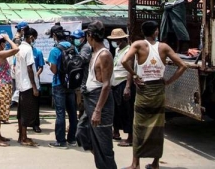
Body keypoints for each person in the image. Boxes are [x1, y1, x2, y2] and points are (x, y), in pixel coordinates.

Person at [121, 21, 188, 169]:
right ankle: (155, 163)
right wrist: (168, 81)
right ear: (155, 32)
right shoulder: (164, 47)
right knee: (157, 127)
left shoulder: (138, 45)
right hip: (158, 90)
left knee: (139, 126)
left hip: (143, 90)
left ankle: (135, 163)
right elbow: (183, 65)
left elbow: (124, 61)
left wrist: (135, 76)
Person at [76, 21, 117, 169]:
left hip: (100, 102)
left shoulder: (104, 54)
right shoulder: (93, 52)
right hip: (90, 100)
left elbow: (106, 85)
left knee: (104, 146)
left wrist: (98, 111)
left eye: (87, 34)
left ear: (90, 35)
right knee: (82, 133)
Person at [47, 25, 78, 149]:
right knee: (72, 112)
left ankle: (61, 141)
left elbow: (54, 70)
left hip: (59, 83)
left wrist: (49, 64)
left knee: (60, 113)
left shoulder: (55, 50)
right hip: (71, 83)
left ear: (54, 36)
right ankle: (72, 139)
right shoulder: (73, 47)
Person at [107, 28, 135, 147]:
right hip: (115, 84)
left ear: (123, 39)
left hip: (124, 83)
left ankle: (130, 137)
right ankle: (116, 132)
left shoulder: (129, 51)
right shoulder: (118, 50)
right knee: (116, 111)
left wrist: (128, 87)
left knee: (127, 111)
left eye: (117, 40)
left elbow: (130, 69)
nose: (116, 42)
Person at [0, 34, 19, 147]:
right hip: (1, 87)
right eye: (4, 43)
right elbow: (16, 49)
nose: (6, 45)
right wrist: (8, 39)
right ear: (1, 44)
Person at [16, 27, 40, 147]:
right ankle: (24, 137)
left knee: (21, 112)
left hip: (21, 84)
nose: (34, 40)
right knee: (26, 113)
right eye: (34, 38)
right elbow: (30, 68)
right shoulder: (28, 49)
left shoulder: (19, 47)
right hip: (27, 85)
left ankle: (21, 136)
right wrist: (34, 87)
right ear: (31, 37)